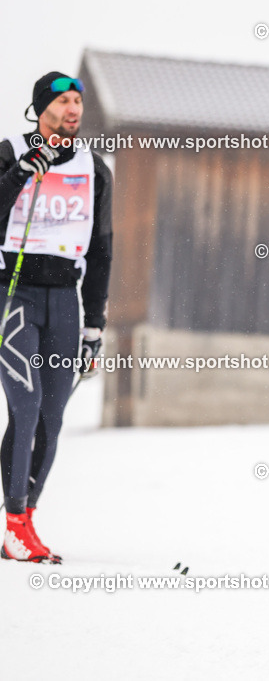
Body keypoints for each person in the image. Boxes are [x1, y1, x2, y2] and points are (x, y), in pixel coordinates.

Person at [0, 71, 113, 562]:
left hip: (65, 300)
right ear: (41, 108)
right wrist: (23, 171)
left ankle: (24, 521)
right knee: (24, 405)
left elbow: (103, 250)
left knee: (51, 415)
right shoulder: (10, 151)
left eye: (77, 101)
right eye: (63, 100)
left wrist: (94, 325)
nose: (73, 109)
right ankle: (11, 523)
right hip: (14, 293)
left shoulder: (95, 168)